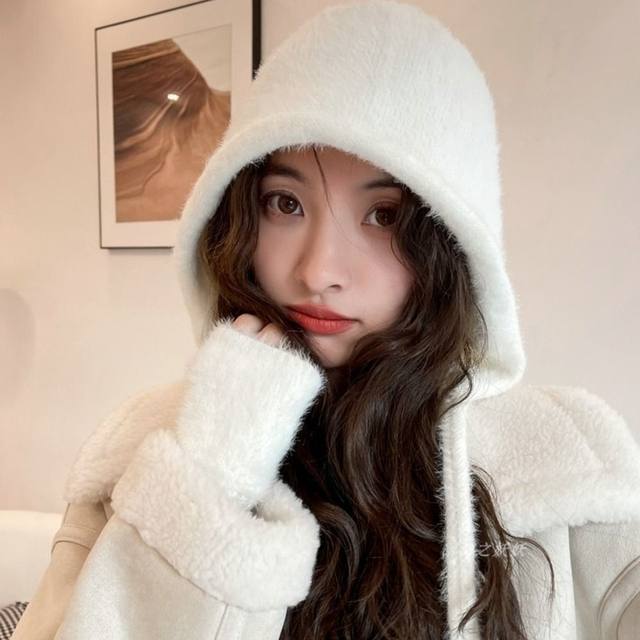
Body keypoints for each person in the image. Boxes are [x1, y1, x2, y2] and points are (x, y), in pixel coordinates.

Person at [11, 1, 640, 639]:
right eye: (285, 204)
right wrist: (212, 477)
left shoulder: (567, 458)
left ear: (451, 244)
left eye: (385, 216)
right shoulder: (149, 446)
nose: (318, 272)